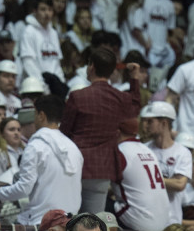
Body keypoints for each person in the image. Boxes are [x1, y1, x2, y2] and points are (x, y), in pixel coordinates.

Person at [60, 47, 142, 214]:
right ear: (112, 72)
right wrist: (134, 79)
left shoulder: (77, 97)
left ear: (91, 67)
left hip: (74, 167)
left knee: (68, 220)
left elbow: (64, 134)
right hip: (102, 170)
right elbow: (135, 106)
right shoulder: (120, 98)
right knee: (92, 225)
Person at [0, 95, 82, 225]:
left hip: (42, 222)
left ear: (41, 115)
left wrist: (0, 192)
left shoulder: (35, 146)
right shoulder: (74, 148)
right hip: (70, 221)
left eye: (34, 114)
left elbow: (24, 188)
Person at [111, 118, 169, 231]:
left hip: (138, 220)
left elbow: (101, 184)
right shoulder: (148, 150)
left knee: (95, 203)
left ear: (116, 132)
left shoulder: (120, 151)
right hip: (164, 221)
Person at [141, 101, 192, 227]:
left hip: (171, 221)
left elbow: (179, 184)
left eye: (150, 122)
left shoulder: (182, 152)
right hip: (146, 219)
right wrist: (168, 182)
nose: (145, 126)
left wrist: (148, 180)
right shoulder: (143, 150)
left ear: (164, 123)